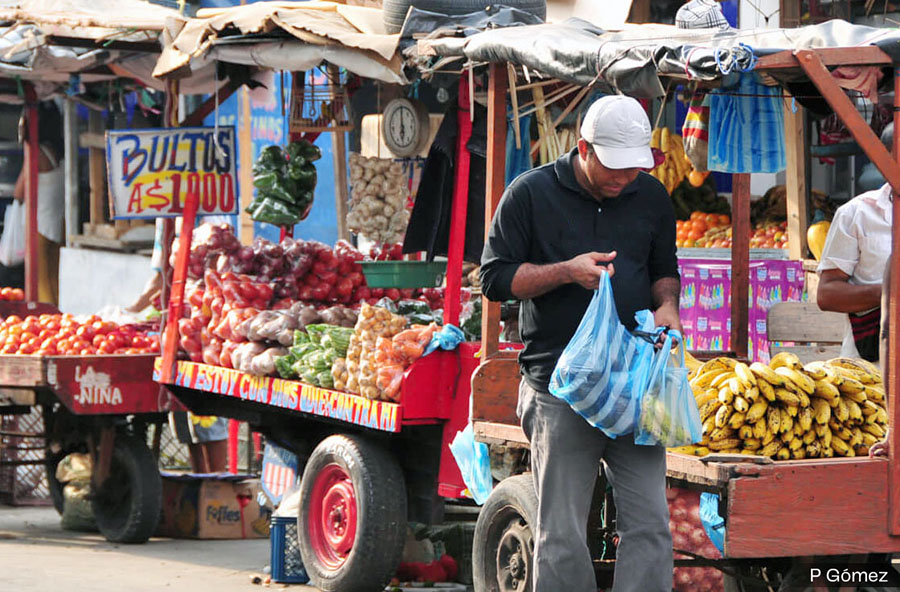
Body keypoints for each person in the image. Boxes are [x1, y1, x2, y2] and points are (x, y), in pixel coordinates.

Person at [480, 95, 680, 592]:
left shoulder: (651, 196)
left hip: (635, 384)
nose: (625, 178)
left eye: (633, 168)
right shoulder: (529, 194)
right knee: (563, 533)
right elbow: (494, 278)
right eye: (614, 168)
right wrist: (567, 272)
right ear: (583, 148)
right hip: (559, 390)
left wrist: (668, 306)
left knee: (651, 524)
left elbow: (664, 271)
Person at [816, 125, 893, 363]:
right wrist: (887, 293)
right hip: (869, 370)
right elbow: (827, 295)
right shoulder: (857, 213)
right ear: (884, 160)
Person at [5, 101, 65, 303]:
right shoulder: (59, 150)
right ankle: (59, 313)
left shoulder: (37, 152)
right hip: (58, 221)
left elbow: (19, 190)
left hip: (39, 223)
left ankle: (46, 317)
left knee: (39, 276)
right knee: (54, 274)